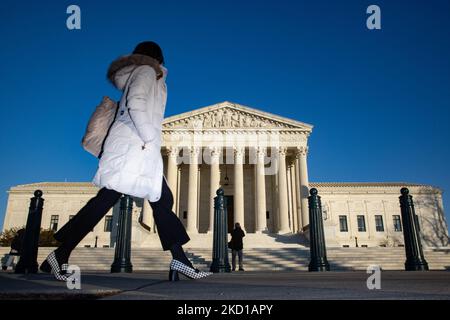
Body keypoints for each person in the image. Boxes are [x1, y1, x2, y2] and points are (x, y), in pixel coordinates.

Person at [40, 41, 211, 282]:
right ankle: (60, 253)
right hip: (135, 148)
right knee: (109, 200)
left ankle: (179, 259)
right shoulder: (147, 71)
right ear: (157, 59)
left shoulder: (142, 74)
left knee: (161, 200)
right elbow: (136, 103)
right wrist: (150, 137)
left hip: (136, 150)